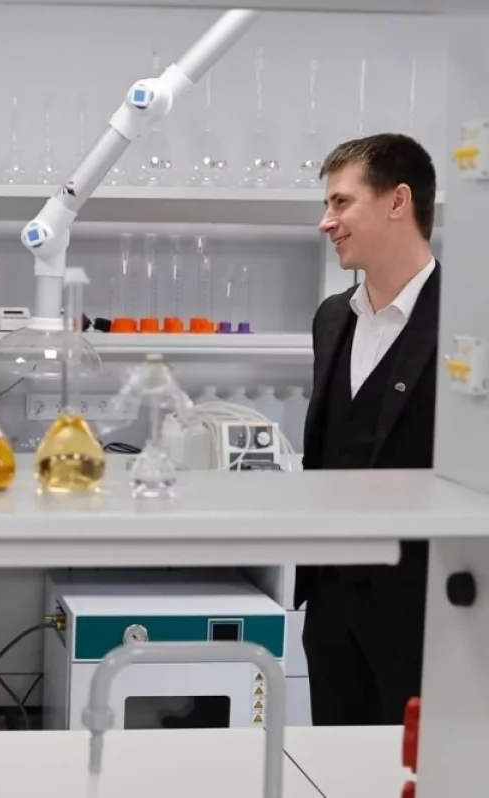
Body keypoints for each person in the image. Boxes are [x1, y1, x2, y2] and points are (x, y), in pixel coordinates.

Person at [297, 133, 439, 726]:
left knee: (417, 766)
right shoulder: (333, 318)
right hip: (331, 604)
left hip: (425, 610)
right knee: (335, 761)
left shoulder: (468, 322)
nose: (326, 222)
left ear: (397, 201)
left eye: (341, 202)